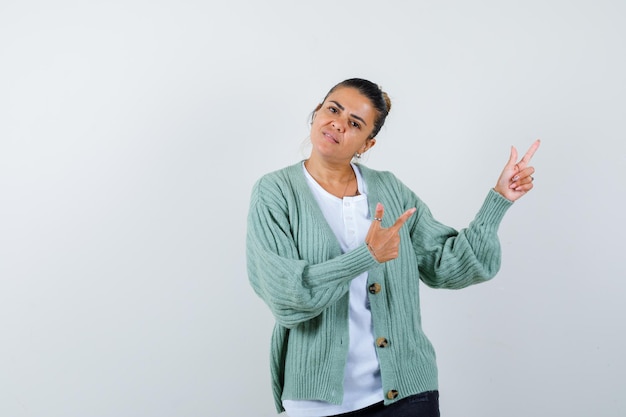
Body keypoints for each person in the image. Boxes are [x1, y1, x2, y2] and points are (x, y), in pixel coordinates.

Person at [246, 78, 540, 417]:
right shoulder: (274, 192)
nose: (338, 123)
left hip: (406, 394)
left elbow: (448, 264)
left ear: (366, 144)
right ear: (316, 113)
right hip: (316, 403)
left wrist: (499, 200)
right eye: (333, 109)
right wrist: (364, 257)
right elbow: (287, 296)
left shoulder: (390, 189)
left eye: (355, 123)